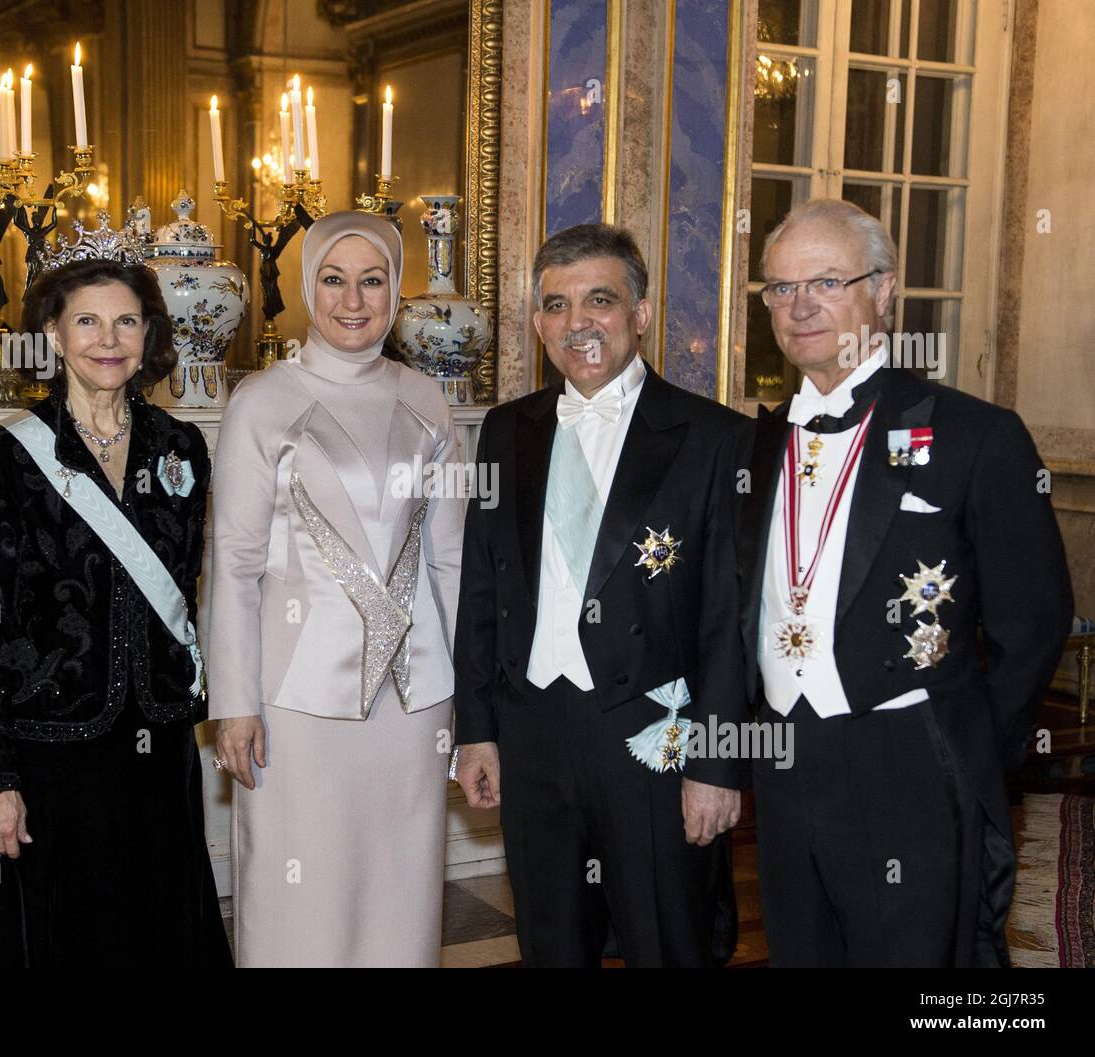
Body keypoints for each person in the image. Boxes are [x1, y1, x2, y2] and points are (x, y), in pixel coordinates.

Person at [739, 197, 1073, 966]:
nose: (800, 306)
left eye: (825, 281)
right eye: (781, 288)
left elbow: (1036, 617)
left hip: (911, 760)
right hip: (784, 758)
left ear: (884, 292)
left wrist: (966, 745)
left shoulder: (975, 435)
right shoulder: (754, 443)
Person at [0, 247, 231, 968]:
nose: (108, 339)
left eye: (127, 321)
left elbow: (184, 590)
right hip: (53, 747)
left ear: (148, 336)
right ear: (54, 333)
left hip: (156, 747)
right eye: (87, 320)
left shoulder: (180, 446)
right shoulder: (2, 456)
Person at [452, 223, 747, 967]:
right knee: (551, 941)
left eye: (600, 300)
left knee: (669, 940)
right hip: (533, 731)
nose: (576, 322)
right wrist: (477, 727)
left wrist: (714, 763)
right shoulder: (505, 430)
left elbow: (727, 619)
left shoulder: (714, 439)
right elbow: (482, 586)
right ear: (538, 322)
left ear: (641, 313)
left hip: (653, 740)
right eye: (555, 304)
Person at [209, 211, 463, 967]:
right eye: (333, 279)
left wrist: (473, 697)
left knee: (402, 893)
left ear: (396, 292)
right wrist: (233, 702)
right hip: (296, 702)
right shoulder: (262, 399)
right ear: (306, 287)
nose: (353, 300)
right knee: (301, 899)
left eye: (373, 280)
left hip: (416, 703)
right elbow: (234, 560)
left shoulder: (429, 398)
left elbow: (450, 557)